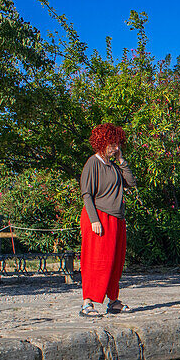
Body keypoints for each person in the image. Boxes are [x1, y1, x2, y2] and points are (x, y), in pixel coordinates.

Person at [79, 123, 136, 317]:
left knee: (115, 261)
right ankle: (87, 303)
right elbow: (87, 194)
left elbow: (131, 182)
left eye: (118, 144)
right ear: (102, 142)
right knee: (95, 260)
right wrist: (94, 220)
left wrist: (121, 160)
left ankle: (113, 301)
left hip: (117, 217)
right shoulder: (93, 163)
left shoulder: (113, 166)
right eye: (112, 143)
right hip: (98, 216)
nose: (116, 147)